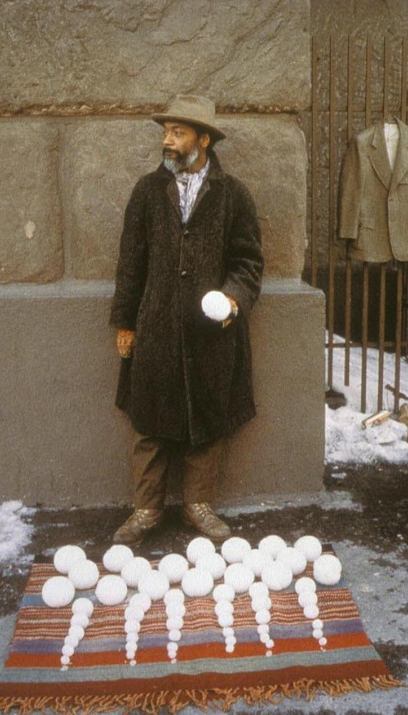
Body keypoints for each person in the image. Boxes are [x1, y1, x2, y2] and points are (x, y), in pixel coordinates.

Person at [110, 94, 263, 545]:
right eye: (166, 132)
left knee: (207, 419)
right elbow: (129, 262)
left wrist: (233, 299)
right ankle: (145, 510)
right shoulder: (146, 191)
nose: (168, 141)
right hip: (154, 325)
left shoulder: (233, 195)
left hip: (211, 333)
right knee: (148, 422)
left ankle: (199, 504)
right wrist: (125, 321)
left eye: (178, 133)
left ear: (204, 139)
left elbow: (248, 261)